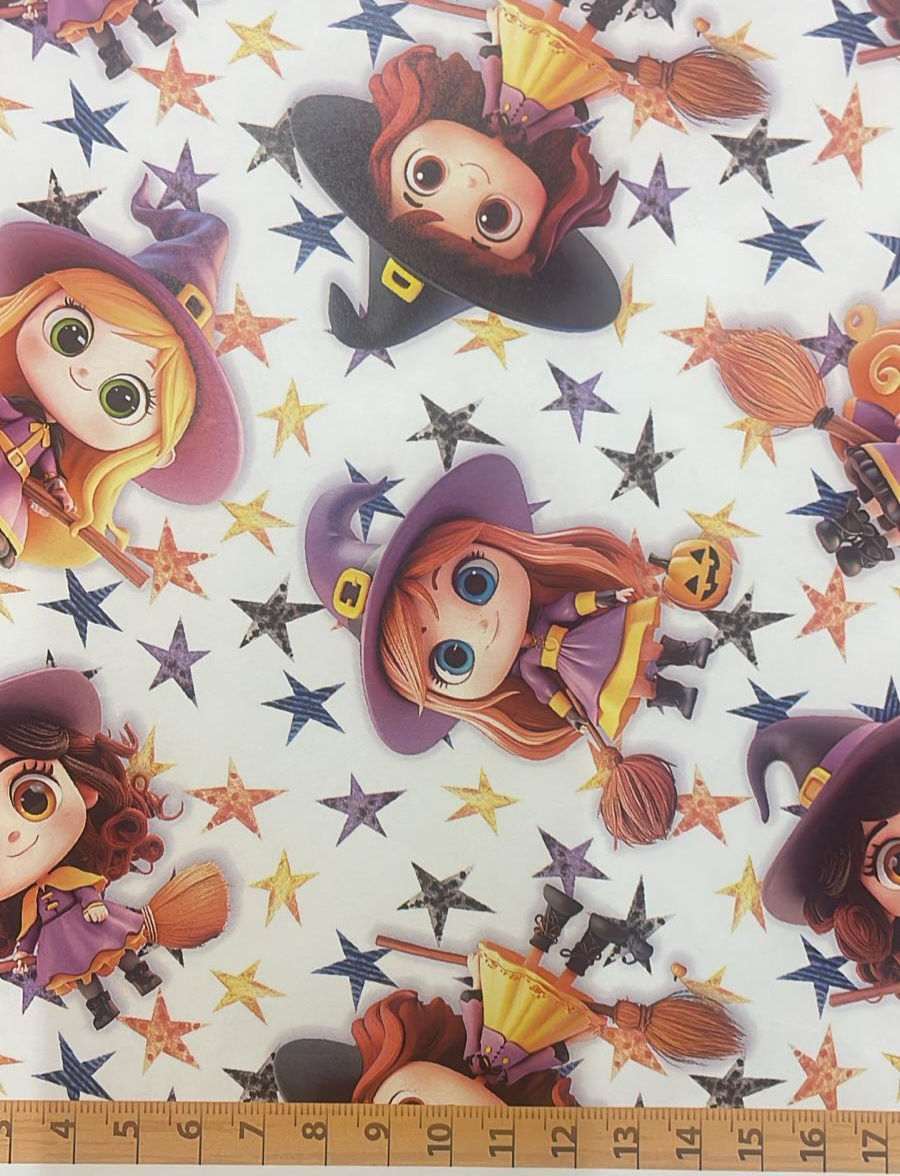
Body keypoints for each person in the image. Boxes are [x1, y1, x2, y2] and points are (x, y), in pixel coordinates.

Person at [306, 454, 721, 846]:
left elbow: (569, 607)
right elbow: (548, 692)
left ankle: (687, 652)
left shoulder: (544, 620)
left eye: (474, 582)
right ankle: (672, 693)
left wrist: (608, 597)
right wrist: (575, 719)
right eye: (453, 658)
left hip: (593, 640)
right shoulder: (529, 668)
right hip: (582, 672)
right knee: (632, 684)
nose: (483, 626)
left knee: (643, 645)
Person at [0, 177, 242, 571]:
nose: (82, 373)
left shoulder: (49, 442)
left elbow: (49, 472)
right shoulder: (17, 409)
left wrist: (57, 490)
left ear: (156, 450)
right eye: (71, 334)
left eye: (122, 398)